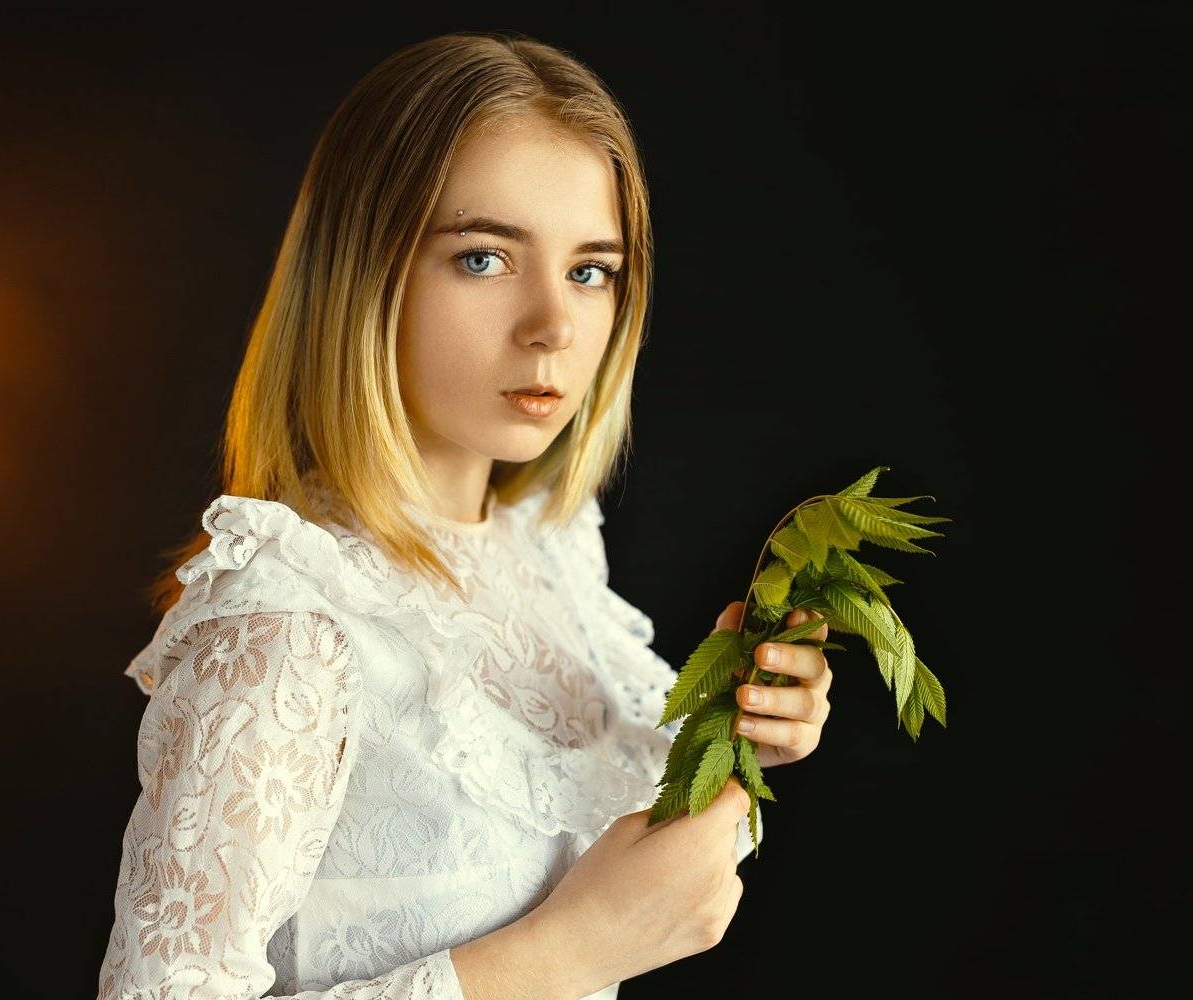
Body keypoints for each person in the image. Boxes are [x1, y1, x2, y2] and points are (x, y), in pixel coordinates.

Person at [97, 30, 833, 1000]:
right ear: (363, 271)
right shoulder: (287, 622)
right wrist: (572, 950)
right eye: (485, 258)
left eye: (591, 270)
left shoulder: (549, 555)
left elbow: (621, 861)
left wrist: (738, 729)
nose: (554, 326)